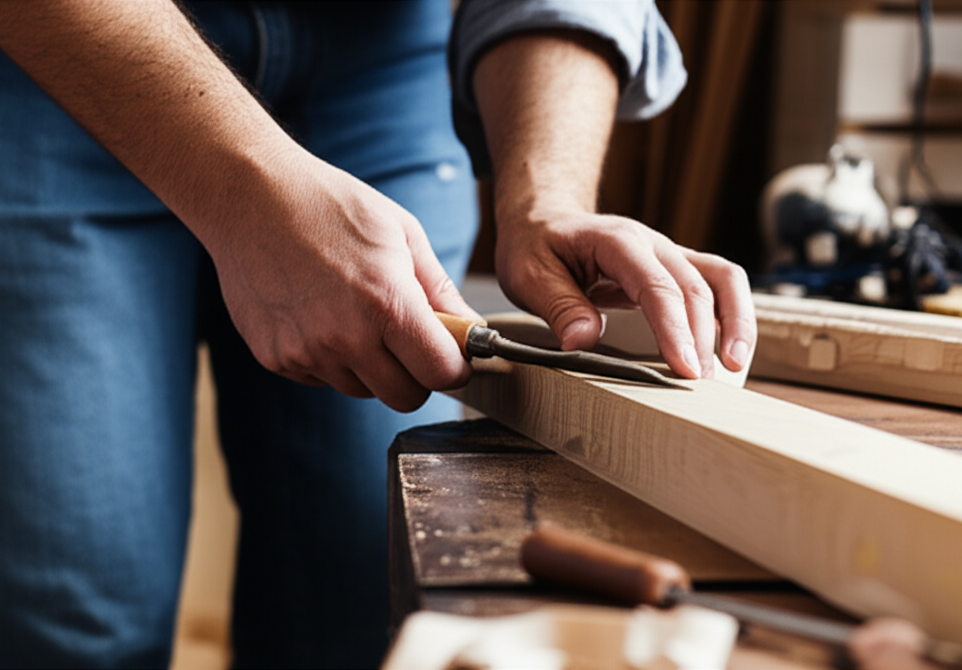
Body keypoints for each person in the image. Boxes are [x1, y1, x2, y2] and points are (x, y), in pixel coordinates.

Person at [0, 1, 756, 667]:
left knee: (368, 605)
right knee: (86, 625)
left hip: (381, 59)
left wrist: (546, 196)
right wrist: (244, 189)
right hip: (56, 58)